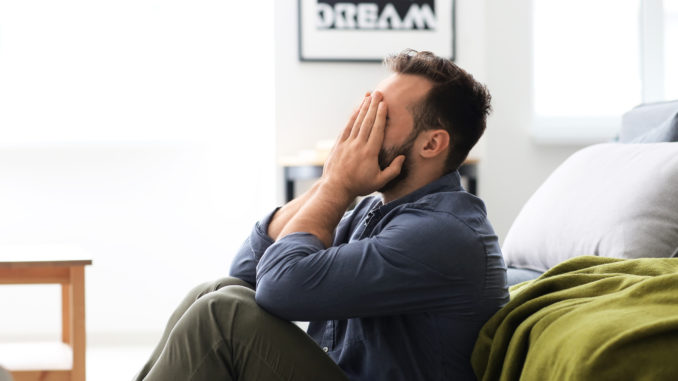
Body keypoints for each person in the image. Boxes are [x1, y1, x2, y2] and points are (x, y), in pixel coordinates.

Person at [134, 49, 509, 381]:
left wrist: (336, 186)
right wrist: (333, 180)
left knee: (222, 314)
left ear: (431, 143)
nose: (359, 129)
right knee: (215, 291)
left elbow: (279, 287)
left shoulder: (442, 233)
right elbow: (246, 271)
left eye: (380, 116)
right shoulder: (375, 210)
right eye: (364, 111)